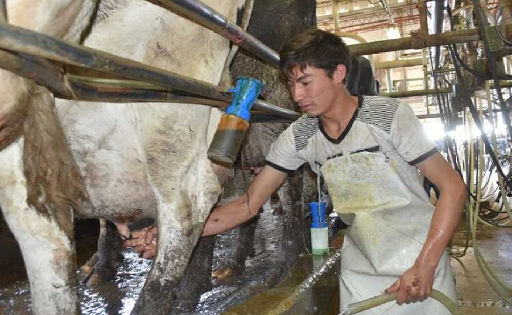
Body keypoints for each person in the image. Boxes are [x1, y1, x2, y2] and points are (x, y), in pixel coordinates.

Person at [125, 28, 466, 313]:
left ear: (339, 73)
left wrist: (425, 264)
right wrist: (178, 231)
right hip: (361, 267)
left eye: (305, 82)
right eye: (291, 85)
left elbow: (452, 187)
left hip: (422, 260)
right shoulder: (301, 135)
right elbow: (247, 204)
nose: (296, 95)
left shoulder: (389, 117)